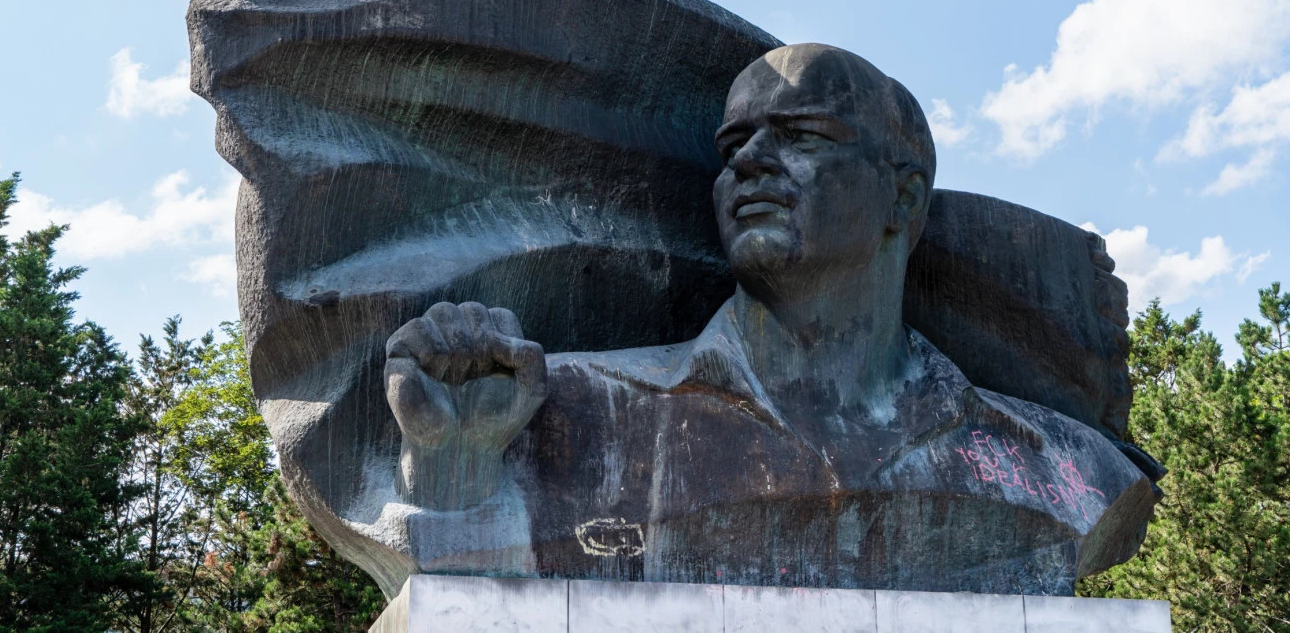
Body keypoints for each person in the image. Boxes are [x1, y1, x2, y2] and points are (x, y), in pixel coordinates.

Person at [383, 44, 1155, 595]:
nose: (749, 161)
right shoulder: (572, 411)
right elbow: (468, 598)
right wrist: (454, 468)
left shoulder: (1064, 467)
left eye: (802, 136)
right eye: (734, 144)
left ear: (904, 198)